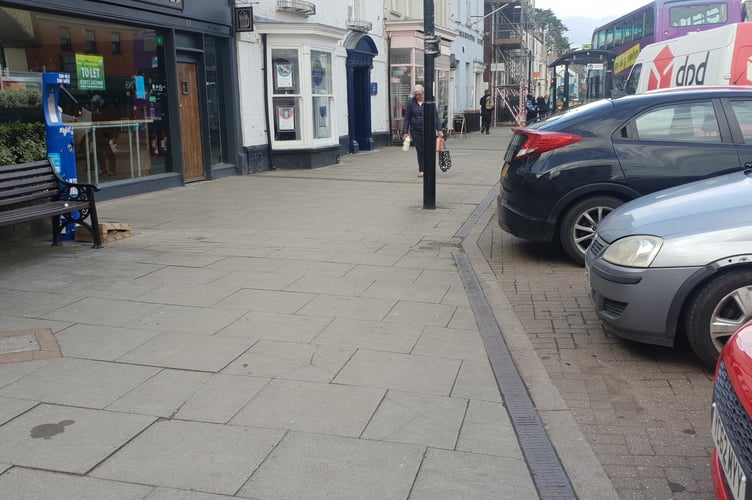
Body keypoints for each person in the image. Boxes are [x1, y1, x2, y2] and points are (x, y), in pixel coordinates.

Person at [402, 84, 443, 177]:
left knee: (428, 150)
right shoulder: (411, 103)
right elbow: (407, 118)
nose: (418, 96)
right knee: (420, 150)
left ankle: (429, 168)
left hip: (428, 130)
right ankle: (421, 169)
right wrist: (405, 132)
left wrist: (439, 129)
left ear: (423, 93)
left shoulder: (430, 102)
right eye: (416, 95)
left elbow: (435, 117)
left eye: (420, 94)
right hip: (415, 130)